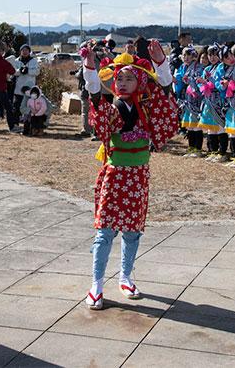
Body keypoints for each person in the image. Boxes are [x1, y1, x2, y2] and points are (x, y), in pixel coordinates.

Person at [81, 39, 178, 310]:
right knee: (105, 232)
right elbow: (96, 101)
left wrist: (161, 64)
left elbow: (166, 99)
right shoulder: (111, 109)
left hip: (138, 175)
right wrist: (89, 72)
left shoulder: (149, 108)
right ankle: (96, 284)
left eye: (128, 78)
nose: (121, 82)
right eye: (118, 78)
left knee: (133, 231)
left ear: (139, 81)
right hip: (115, 174)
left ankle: (125, 277)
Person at [198, 45, 225, 159]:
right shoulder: (207, 69)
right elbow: (201, 83)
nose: (212, 57)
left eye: (215, 54)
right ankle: (212, 150)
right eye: (210, 55)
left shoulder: (222, 67)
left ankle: (222, 151)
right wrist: (201, 83)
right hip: (208, 100)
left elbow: (221, 83)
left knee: (219, 126)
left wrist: (210, 82)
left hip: (218, 99)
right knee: (210, 126)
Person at [8, 44, 40, 122]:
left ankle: (28, 122)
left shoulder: (34, 61)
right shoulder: (16, 61)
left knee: (29, 106)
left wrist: (28, 71)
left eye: (26, 50)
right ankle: (15, 123)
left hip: (30, 88)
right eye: (23, 50)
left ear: (29, 52)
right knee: (16, 106)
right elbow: (13, 72)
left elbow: (37, 72)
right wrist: (20, 71)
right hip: (18, 88)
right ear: (20, 52)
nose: (25, 52)